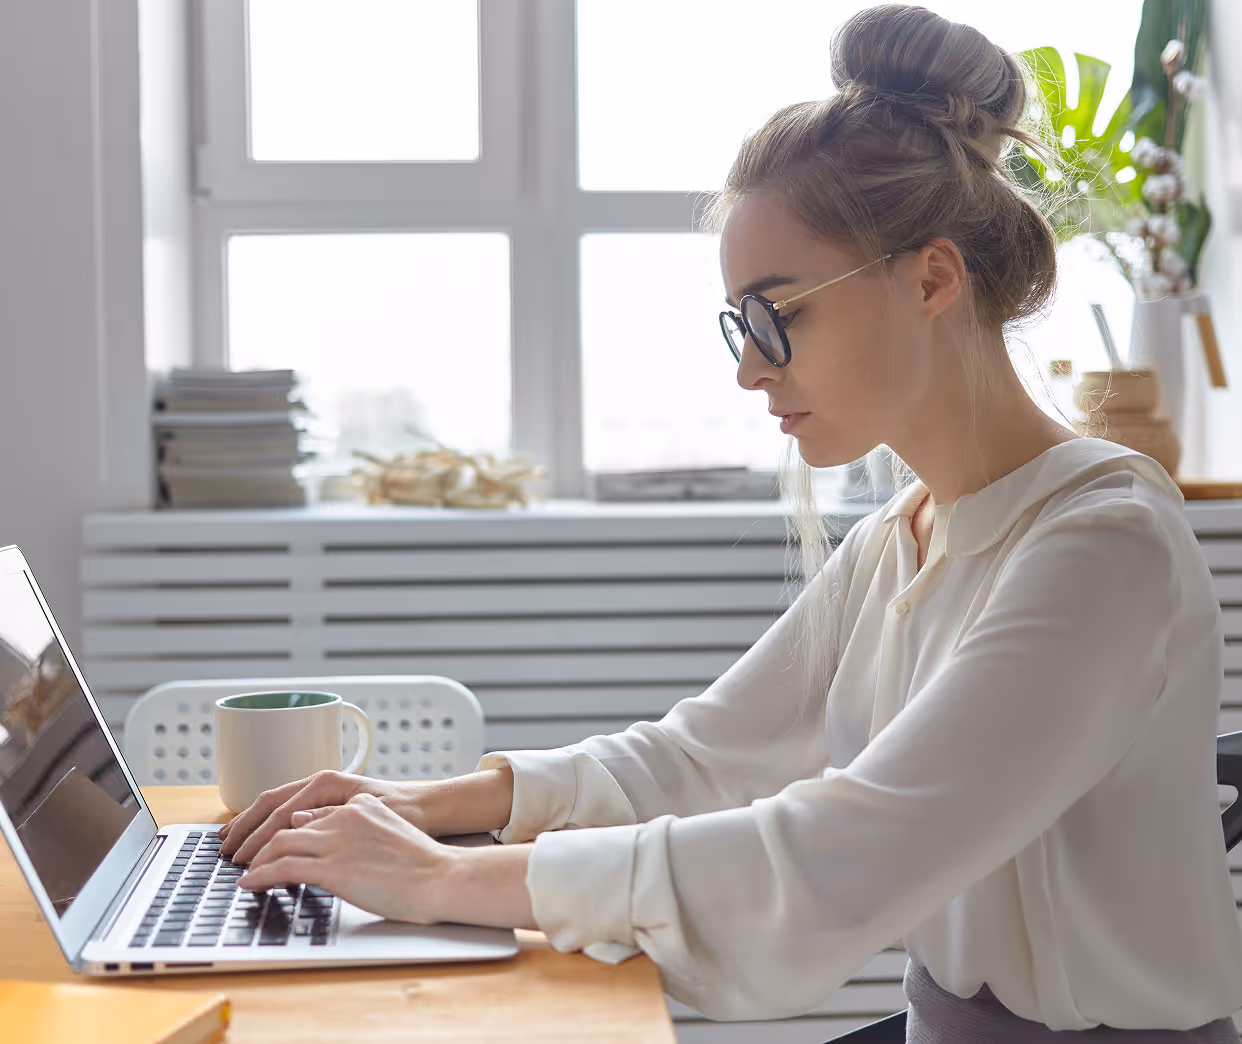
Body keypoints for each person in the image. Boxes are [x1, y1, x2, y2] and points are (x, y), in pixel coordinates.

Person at [218, 5, 1242, 1039]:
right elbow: (698, 758)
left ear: (933, 278)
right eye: (738, 325)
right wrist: (420, 804)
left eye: (777, 314)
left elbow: (843, 850)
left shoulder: (1102, 547)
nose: (749, 366)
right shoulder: (909, 533)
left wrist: (444, 881)